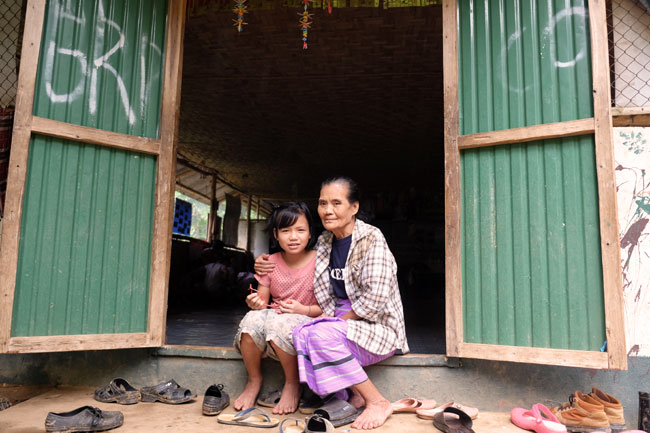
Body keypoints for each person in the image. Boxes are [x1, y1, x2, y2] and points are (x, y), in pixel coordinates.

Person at [255, 176, 408, 430]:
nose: (327, 210)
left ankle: (377, 401)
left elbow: (374, 301)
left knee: (320, 334)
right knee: (302, 332)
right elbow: (298, 258)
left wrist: (333, 322)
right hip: (341, 324)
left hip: (377, 327)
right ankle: (348, 393)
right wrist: (263, 263)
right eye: (323, 203)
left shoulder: (372, 239)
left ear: (354, 207)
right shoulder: (325, 241)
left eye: (336, 203)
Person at [233, 202, 323, 415]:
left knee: (277, 321)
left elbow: (326, 307)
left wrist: (302, 309)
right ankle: (254, 380)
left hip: (307, 319)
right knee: (251, 320)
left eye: (300, 230)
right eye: (286, 231)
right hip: (277, 320)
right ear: (275, 234)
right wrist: (253, 303)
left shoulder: (320, 261)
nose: (293, 237)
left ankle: (292, 383)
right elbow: (262, 302)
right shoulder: (270, 262)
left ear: (310, 233)